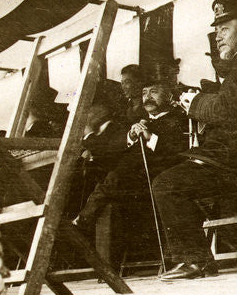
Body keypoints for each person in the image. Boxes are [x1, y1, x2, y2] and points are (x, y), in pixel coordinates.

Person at [151, 0, 237, 281]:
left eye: (225, 29)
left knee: (167, 184)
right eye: (216, 30)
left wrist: (195, 103)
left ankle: (195, 260)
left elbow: (228, 111)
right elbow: (236, 108)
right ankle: (196, 259)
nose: (217, 36)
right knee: (170, 179)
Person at [73, 79, 189, 233]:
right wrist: (131, 136)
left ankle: (81, 222)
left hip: (156, 175)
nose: (147, 97)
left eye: (154, 92)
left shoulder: (179, 119)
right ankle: (79, 222)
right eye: (144, 93)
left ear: (169, 96)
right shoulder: (138, 121)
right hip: (132, 175)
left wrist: (149, 137)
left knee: (114, 178)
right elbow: (114, 147)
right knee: (97, 174)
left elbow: (177, 151)